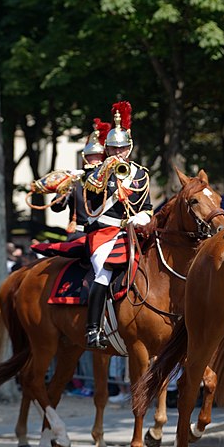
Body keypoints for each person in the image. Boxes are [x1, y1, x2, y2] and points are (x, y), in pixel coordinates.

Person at [83, 101, 152, 349]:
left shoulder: (141, 174)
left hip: (133, 231)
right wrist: (105, 171)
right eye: (113, 149)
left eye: (122, 149)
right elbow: (91, 201)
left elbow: (147, 206)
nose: (118, 153)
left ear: (129, 149)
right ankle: (93, 328)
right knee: (103, 272)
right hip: (105, 232)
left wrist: (142, 218)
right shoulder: (94, 174)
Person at [52, 118, 109, 236]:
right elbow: (56, 208)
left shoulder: (112, 178)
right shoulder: (75, 179)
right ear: (85, 157)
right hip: (80, 233)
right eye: (91, 156)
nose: (94, 160)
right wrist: (63, 192)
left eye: (98, 156)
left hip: (104, 233)